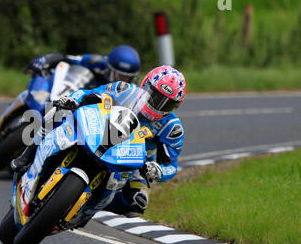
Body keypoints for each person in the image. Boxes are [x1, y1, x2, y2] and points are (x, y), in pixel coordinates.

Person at [12, 65, 186, 217]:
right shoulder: (124, 89)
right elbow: (89, 93)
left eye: (166, 104)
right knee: (56, 109)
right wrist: (73, 100)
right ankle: (28, 153)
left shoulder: (172, 128)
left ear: (175, 107)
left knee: (138, 203)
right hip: (98, 130)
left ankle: (87, 208)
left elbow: (171, 165)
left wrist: (157, 170)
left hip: (134, 161)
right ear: (145, 85)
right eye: (154, 97)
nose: (157, 106)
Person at [25, 45, 141, 85]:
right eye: (118, 75)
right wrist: (45, 60)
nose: (122, 80)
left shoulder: (129, 92)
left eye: (127, 78)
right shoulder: (96, 62)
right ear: (109, 68)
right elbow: (65, 57)